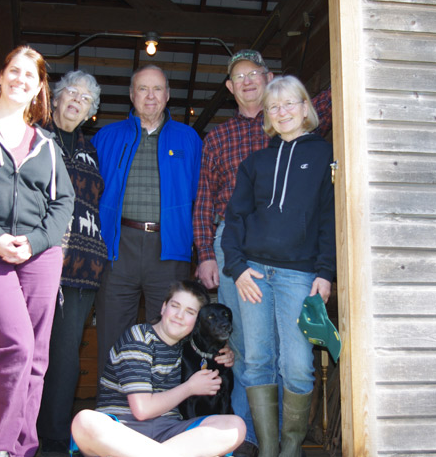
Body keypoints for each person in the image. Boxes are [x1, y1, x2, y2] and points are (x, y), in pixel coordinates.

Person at [192, 49, 332, 456]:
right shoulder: (245, 155)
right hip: (247, 266)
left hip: (298, 272)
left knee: (297, 364)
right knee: (252, 355)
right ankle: (259, 445)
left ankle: (289, 448)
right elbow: (224, 212)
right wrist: (229, 264)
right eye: (275, 107)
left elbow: (328, 217)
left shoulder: (321, 154)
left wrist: (325, 271)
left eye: (289, 103)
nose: (282, 111)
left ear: (304, 107)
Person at [0, 46, 75, 457]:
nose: (20, 79)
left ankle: (24, 449)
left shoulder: (46, 142)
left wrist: (37, 242)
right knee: (15, 346)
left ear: (39, 86)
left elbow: (64, 201)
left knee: (36, 359)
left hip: (39, 256)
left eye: (30, 75)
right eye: (14, 70)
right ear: (1, 75)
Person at [91, 65, 203, 376]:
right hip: (117, 248)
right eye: (142, 88)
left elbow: (202, 196)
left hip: (169, 249)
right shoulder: (106, 137)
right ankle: (112, 403)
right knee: (112, 333)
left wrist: (201, 250)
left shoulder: (189, 139)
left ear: (167, 95)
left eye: (157, 89)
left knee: (169, 335)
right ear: (131, 94)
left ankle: (163, 403)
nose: (150, 96)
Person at [70, 281, 246, 457]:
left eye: (190, 312)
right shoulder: (139, 338)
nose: (179, 316)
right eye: (175, 306)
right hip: (122, 433)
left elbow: (205, 348)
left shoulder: (185, 346)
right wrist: (190, 387)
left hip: (170, 433)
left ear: (197, 322)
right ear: (163, 308)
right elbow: (142, 410)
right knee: (85, 422)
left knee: (235, 426)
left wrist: (226, 352)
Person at [37, 71, 108, 455]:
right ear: (57, 97)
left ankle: (53, 439)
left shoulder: (91, 150)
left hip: (83, 265)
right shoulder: (35, 137)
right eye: (72, 93)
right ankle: (21, 433)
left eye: (85, 98)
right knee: (30, 350)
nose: (77, 101)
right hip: (39, 259)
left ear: (90, 111)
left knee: (65, 356)